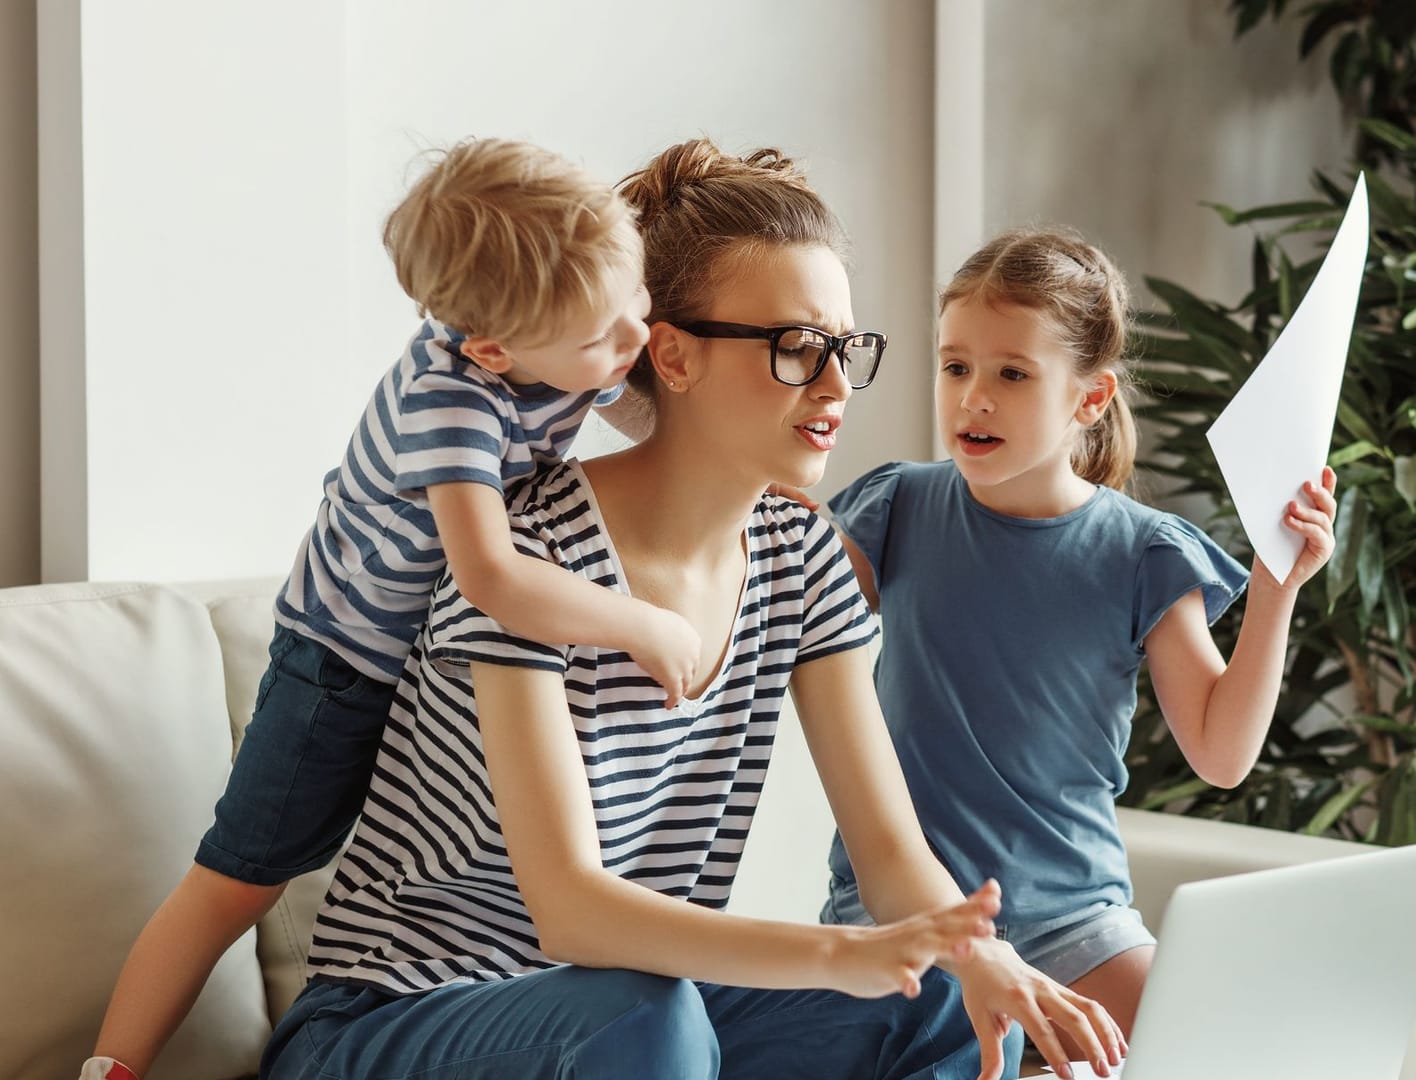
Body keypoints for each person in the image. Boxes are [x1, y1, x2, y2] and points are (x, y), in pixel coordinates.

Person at [254, 139, 1125, 1080]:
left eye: (845, 348)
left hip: (634, 1018)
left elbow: (888, 855)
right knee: (645, 1011)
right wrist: (839, 954)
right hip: (396, 1018)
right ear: (670, 353)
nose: (835, 386)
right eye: (796, 348)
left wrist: (980, 955)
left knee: (936, 1006)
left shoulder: (801, 559)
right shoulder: (528, 550)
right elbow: (572, 912)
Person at [83, 138, 704, 1080]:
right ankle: (111, 1065)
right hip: (339, 666)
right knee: (238, 880)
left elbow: (660, 419)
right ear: (493, 349)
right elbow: (493, 576)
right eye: (602, 338)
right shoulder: (446, 403)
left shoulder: (565, 331)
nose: (631, 348)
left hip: (428, 663)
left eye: (641, 308)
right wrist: (639, 621)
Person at [819, 226, 1339, 1036]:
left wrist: (1277, 586)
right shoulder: (894, 510)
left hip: (1076, 924)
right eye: (955, 366)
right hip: (898, 916)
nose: (972, 398)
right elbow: (770, 624)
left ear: (1089, 398)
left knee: (1208, 1045)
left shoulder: (1145, 554)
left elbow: (1221, 753)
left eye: (1012, 374)